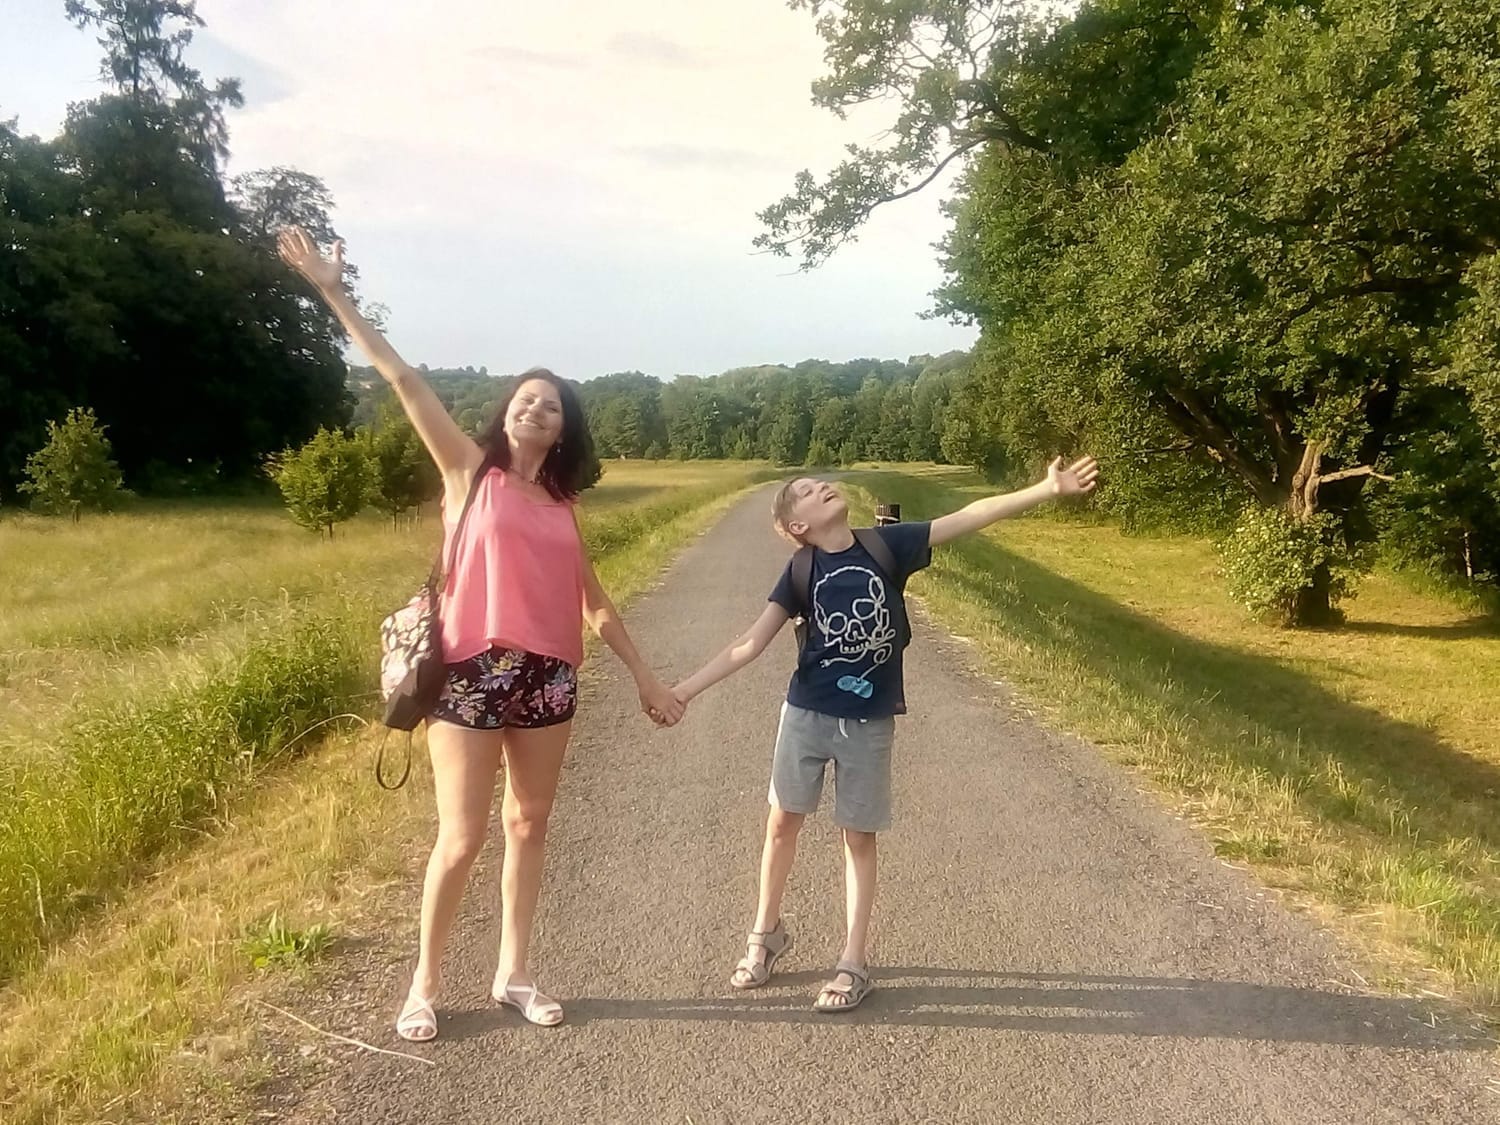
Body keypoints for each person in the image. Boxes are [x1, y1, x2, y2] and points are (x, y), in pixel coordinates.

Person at [277, 228, 684, 1042]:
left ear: (563, 429)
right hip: (470, 672)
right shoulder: (469, 472)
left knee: (529, 824)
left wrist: (644, 674)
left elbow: (595, 602)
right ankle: (424, 985)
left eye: (552, 404)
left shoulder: (563, 506)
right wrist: (333, 291)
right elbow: (403, 379)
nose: (536, 408)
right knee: (461, 837)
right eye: (525, 398)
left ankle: (515, 973)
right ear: (507, 412)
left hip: (549, 678)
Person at [671, 461, 1098, 1012]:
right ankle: (764, 935)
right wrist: (684, 691)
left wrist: (1045, 489)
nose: (822, 487)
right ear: (797, 526)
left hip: (868, 724)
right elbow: (749, 644)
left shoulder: (885, 546)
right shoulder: (801, 569)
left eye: (820, 484)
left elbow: (968, 516)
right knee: (781, 825)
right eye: (807, 491)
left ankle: (853, 962)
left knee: (858, 836)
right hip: (805, 715)